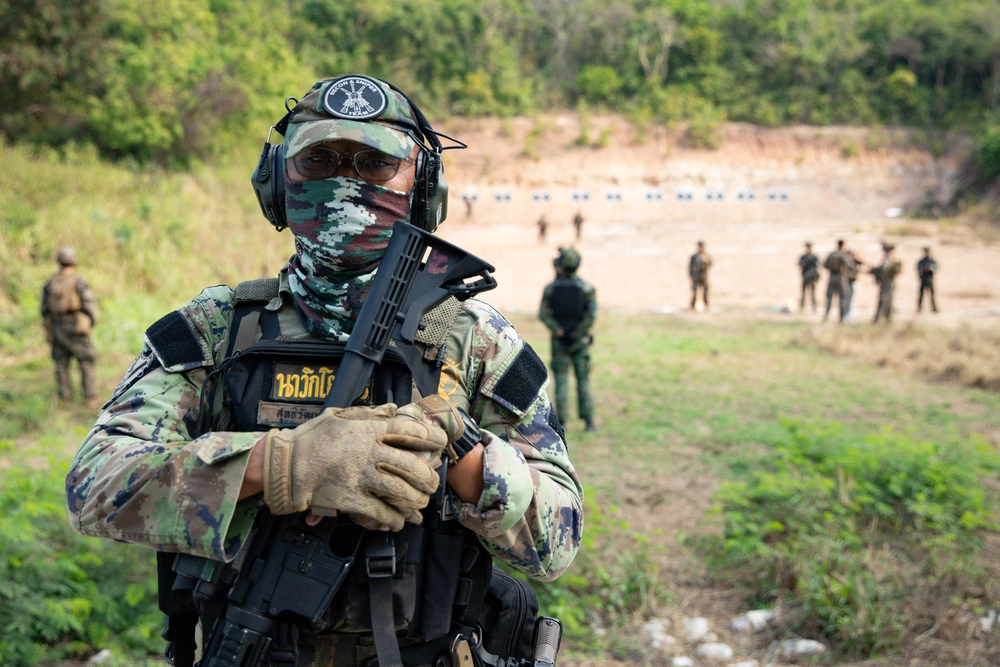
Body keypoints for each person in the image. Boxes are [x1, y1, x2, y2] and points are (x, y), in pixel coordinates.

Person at [65, 75, 583, 667]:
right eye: (320, 160)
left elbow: (557, 544)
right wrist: (279, 465)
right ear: (277, 181)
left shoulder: (475, 342)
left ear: (424, 189)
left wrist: (464, 456)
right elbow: (93, 488)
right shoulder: (219, 331)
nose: (346, 181)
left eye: (374, 165)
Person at [538, 247, 597, 432]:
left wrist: (558, 330)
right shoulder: (587, 289)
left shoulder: (551, 288)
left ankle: (561, 422)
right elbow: (591, 315)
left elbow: (543, 314)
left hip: (559, 342)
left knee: (561, 381)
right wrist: (579, 332)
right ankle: (589, 422)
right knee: (583, 380)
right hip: (580, 342)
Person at [41, 246, 99, 404]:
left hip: (57, 327)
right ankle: (90, 396)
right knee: (86, 360)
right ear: (74, 261)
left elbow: (44, 307)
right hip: (76, 327)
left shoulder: (51, 281)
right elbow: (89, 304)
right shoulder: (78, 280)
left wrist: (49, 327)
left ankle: (64, 396)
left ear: (59, 261)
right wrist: (89, 321)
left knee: (61, 363)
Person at [872, 242, 902, 323]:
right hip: (890, 281)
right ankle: (888, 319)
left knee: (884, 299)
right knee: (888, 299)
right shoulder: (893, 259)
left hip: (887, 281)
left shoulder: (888, 259)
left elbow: (884, 270)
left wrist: (876, 273)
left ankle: (878, 319)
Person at [823, 239, 848, 322]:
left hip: (832, 276)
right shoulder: (844, 255)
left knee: (829, 298)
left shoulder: (832, 254)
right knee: (842, 298)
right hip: (841, 277)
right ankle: (841, 318)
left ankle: (826, 317)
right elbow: (848, 265)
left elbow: (825, 265)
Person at [689, 240, 712, 310]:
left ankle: (706, 305)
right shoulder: (694, 256)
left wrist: (705, 261)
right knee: (694, 292)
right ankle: (692, 306)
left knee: (705, 291)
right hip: (696, 276)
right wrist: (691, 275)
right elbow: (690, 266)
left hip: (703, 276)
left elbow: (710, 264)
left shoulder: (706, 256)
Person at [798, 241, 820, 313]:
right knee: (803, 293)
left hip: (812, 277)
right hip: (805, 276)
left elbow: (819, 265)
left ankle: (814, 307)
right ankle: (802, 306)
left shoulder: (814, 257)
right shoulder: (804, 257)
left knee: (813, 294)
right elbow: (800, 264)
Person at [917, 245, 939, 313]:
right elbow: (918, 268)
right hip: (923, 279)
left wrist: (930, 269)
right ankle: (919, 308)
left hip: (930, 279)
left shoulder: (932, 261)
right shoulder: (921, 261)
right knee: (921, 295)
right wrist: (923, 269)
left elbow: (936, 268)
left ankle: (934, 308)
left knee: (932, 295)